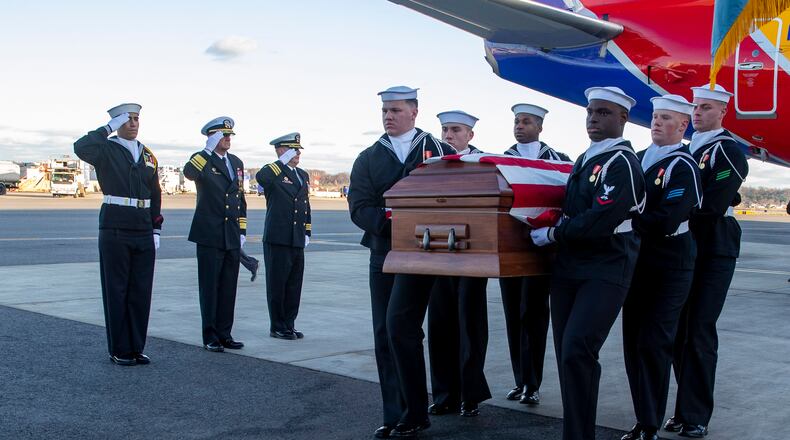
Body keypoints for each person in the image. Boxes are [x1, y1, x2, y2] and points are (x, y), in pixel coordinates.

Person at [530, 86, 645, 440]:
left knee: (579, 348)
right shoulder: (586, 158)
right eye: (591, 112)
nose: (594, 119)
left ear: (623, 118)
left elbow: (602, 218)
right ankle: (576, 433)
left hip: (606, 266)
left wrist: (553, 235)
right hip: (570, 267)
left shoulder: (622, 162)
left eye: (604, 113)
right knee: (567, 353)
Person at [347, 86, 454, 439]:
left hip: (424, 253)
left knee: (401, 326)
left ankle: (416, 410)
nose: (388, 116)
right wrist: (393, 222)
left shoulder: (440, 152)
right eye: (384, 111)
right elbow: (359, 207)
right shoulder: (368, 157)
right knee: (385, 333)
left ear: (414, 111)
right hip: (384, 253)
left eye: (395, 110)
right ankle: (397, 413)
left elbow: (456, 194)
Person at [665, 84, 749, 438]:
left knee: (698, 329)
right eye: (696, 108)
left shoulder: (728, 150)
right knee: (679, 330)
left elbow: (713, 204)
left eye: (706, 108)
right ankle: (684, 411)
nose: (698, 113)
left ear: (722, 113)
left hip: (713, 247)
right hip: (685, 247)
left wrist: (671, 216)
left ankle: (696, 414)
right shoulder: (685, 151)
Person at [620, 95, 702, 440]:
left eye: (666, 118)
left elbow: (668, 218)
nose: (656, 122)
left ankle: (650, 424)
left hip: (670, 264)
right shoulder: (638, 159)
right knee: (632, 342)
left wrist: (624, 219)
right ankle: (643, 416)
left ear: (683, 126)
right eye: (655, 116)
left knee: (654, 343)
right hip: (637, 262)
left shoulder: (684, 165)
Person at [73, 103, 163, 366]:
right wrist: (108, 128)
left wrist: (156, 227)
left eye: (136, 119)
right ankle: (119, 349)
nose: (134, 123)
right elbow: (81, 147)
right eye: (128, 119)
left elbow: (155, 191)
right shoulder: (106, 149)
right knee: (117, 289)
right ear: (117, 123)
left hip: (143, 228)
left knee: (140, 291)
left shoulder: (147, 154)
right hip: (116, 226)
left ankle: (136, 347)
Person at [500, 103, 570, 406]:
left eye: (526, 121)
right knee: (514, 315)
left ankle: (533, 382)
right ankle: (520, 379)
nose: (519, 126)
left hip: (541, 250)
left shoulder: (558, 161)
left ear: (540, 127)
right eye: (516, 121)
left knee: (534, 315)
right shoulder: (501, 161)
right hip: (510, 250)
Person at [426, 110, 490, 418]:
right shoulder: (432, 163)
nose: (448, 135)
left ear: (470, 135)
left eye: (455, 130)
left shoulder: (485, 164)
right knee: (439, 325)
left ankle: (470, 394)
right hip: (438, 251)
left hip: (473, 253)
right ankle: (444, 394)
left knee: (470, 325)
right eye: (445, 130)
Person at [183, 117, 246, 353]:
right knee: (209, 287)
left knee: (228, 287)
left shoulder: (236, 162)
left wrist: (241, 229)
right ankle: (210, 335)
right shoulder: (201, 159)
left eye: (229, 135)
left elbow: (239, 197)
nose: (228, 139)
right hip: (209, 233)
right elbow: (189, 173)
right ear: (212, 137)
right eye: (223, 135)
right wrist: (207, 149)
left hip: (230, 233)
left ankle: (225, 333)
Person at [256, 132, 311, 341]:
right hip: (277, 237)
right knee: (277, 284)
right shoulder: (274, 172)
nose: (297, 154)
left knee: (294, 284)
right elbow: (262, 178)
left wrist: (307, 231)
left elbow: (306, 205)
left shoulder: (302, 175)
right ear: (281, 150)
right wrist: (281, 161)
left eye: (298, 150)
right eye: (292, 150)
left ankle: (289, 323)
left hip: (296, 237)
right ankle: (277, 326)